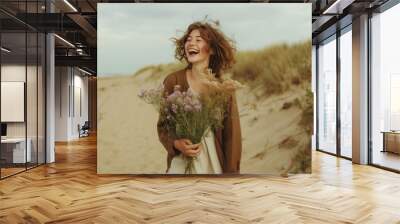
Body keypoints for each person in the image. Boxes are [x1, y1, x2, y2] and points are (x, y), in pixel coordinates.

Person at [157, 21, 242, 174]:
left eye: (198, 39)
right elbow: (163, 126)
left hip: (213, 164)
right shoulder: (173, 81)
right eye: (188, 39)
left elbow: (232, 137)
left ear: (212, 50)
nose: (191, 43)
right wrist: (176, 144)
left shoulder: (223, 87)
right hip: (180, 164)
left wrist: (232, 175)